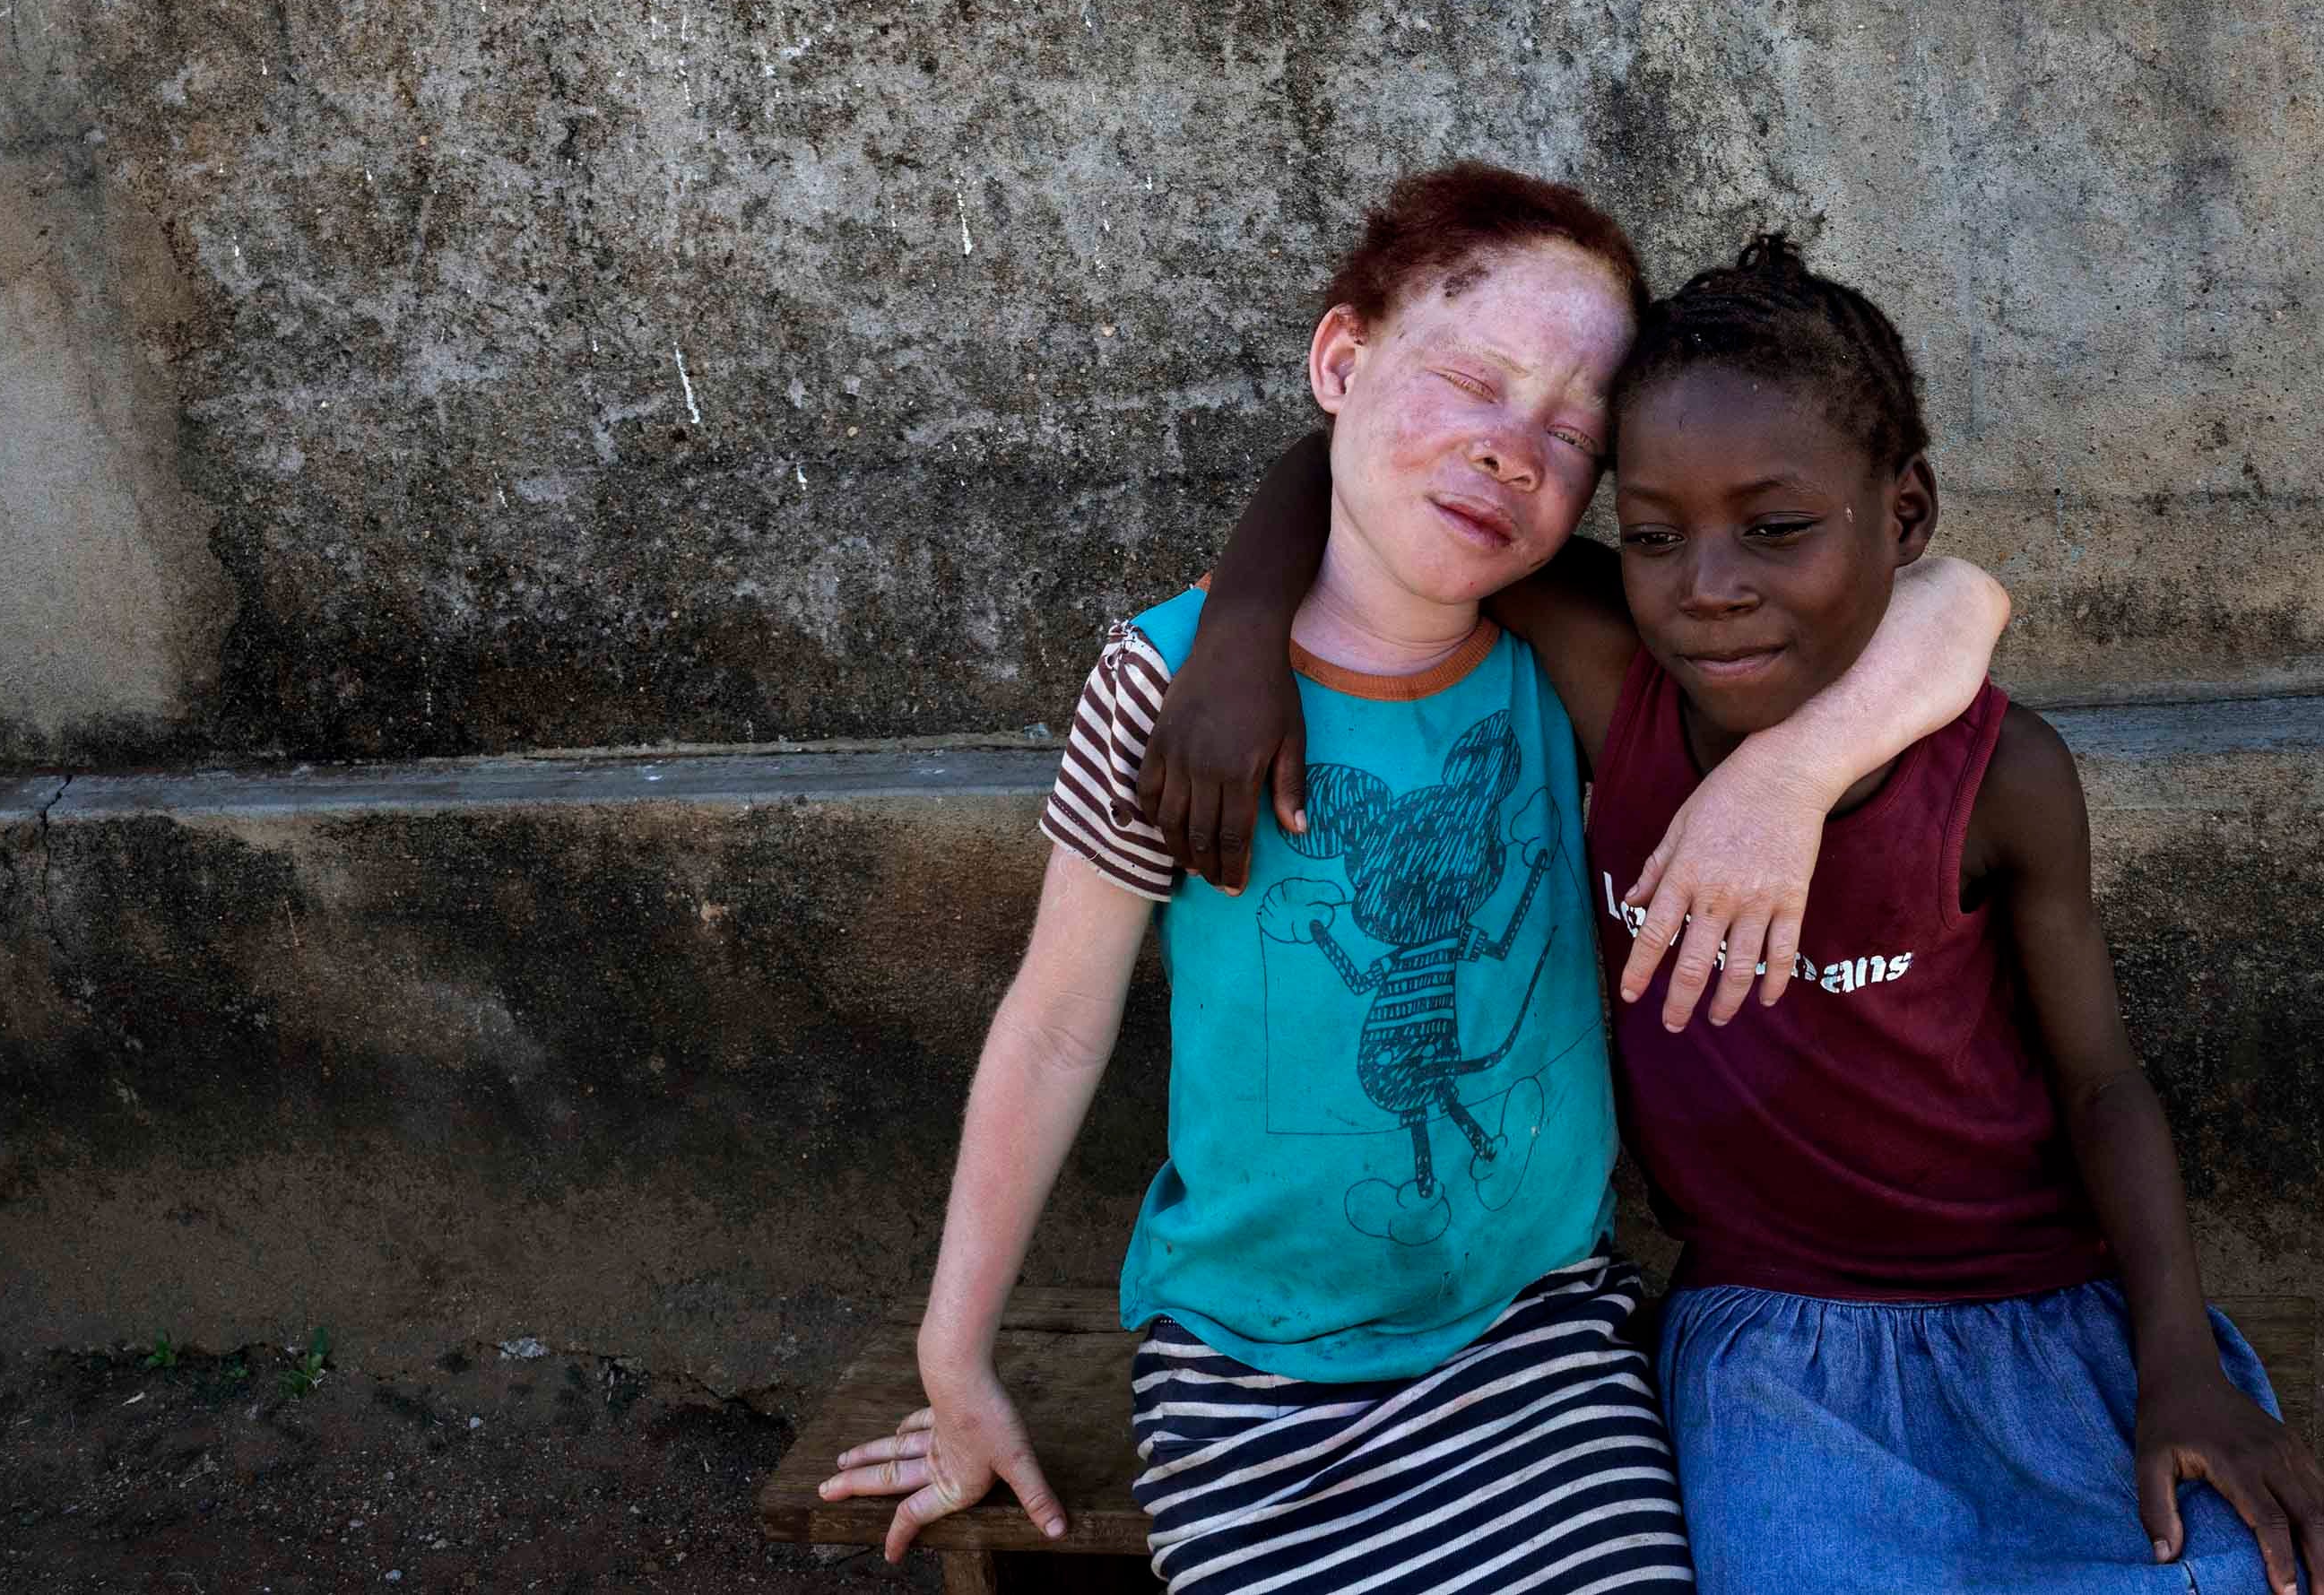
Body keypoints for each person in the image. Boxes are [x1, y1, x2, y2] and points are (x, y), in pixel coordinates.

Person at [817, 167, 2010, 1594]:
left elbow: (1957, 602)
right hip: (1248, 1371)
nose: (1516, 448)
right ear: (1341, 361)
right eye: (1473, 379)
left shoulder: (1570, 665)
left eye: (1572, 429)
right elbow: (1057, 1020)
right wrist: (955, 1360)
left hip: (1542, 1339)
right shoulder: (1169, 686)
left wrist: (1784, 776)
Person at [1149, 233, 2324, 1595]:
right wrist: (1242, 631)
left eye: (1774, 529)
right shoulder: (1614, 682)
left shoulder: (2001, 781)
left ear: (1905, 513)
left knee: (2220, 1572)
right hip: (1773, 1340)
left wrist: (2178, 1360)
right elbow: (1356, 462)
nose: (1708, 584)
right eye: (1654, 536)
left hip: (2042, 1306)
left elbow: (2103, 1082)